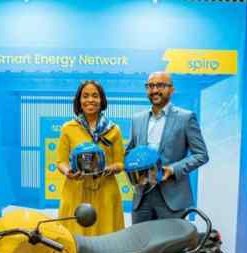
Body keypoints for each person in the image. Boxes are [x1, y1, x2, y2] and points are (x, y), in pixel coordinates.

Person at [127, 71, 209, 223]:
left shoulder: (186, 117)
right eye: (150, 86)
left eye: (161, 85)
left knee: (172, 245)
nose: (155, 90)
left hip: (172, 198)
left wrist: (172, 169)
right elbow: (129, 152)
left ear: (172, 90)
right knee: (141, 244)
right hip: (142, 197)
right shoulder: (137, 119)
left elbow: (201, 154)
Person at [56, 80, 125, 236]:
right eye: (85, 96)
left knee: (106, 237)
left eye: (95, 96)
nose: (90, 100)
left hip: (105, 191)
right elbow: (61, 161)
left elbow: (120, 163)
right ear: (79, 101)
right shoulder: (68, 128)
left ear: (102, 100)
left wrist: (108, 169)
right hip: (76, 190)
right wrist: (68, 172)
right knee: (75, 238)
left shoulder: (114, 129)